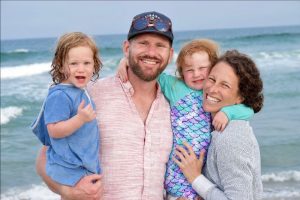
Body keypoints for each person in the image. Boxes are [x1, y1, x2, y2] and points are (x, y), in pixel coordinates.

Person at [35, 11, 174, 199]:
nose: (151, 52)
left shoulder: (174, 104)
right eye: (143, 43)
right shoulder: (88, 94)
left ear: (170, 54)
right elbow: (44, 158)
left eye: (160, 45)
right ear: (126, 48)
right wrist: (67, 191)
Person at [117, 39, 254, 200]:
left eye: (203, 68)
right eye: (189, 70)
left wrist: (228, 113)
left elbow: (248, 109)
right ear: (182, 72)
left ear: (213, 68)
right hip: (177, 166)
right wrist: (126, 61)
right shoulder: (175, 86)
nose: (196, 74)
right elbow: (149, 71)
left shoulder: (214, 94)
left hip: (203, 170)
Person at [174, 50, 264, 199]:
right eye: (211, 79)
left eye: (225, 85)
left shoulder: (230, 139)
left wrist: (195, 178)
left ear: (240, 97)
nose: (212, 89)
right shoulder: (211, 123)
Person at [31, 32, 102, 187]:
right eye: (73, 63)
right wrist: (80, 119)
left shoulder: (80, 89)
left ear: (94, 64)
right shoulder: (60, 95)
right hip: (71, 169)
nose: (81, 69)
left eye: (87, 63)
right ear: (61, 66)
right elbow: (54, 130)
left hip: (83, 165)